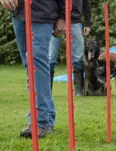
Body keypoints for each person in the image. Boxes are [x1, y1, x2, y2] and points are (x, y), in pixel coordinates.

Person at [0, 0, 65, 138]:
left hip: (43, 10)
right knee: (30, 66)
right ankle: (47, 116)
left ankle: (39, 121)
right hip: (19, 11)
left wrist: (64, 16)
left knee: (36, 63)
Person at [49, 0, 92, 96]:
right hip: (56, 22)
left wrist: (88, 23)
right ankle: (47, 90)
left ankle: (79, 91)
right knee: (50, 57)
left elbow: (86, 3)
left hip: (75, 20)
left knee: (78, 57)